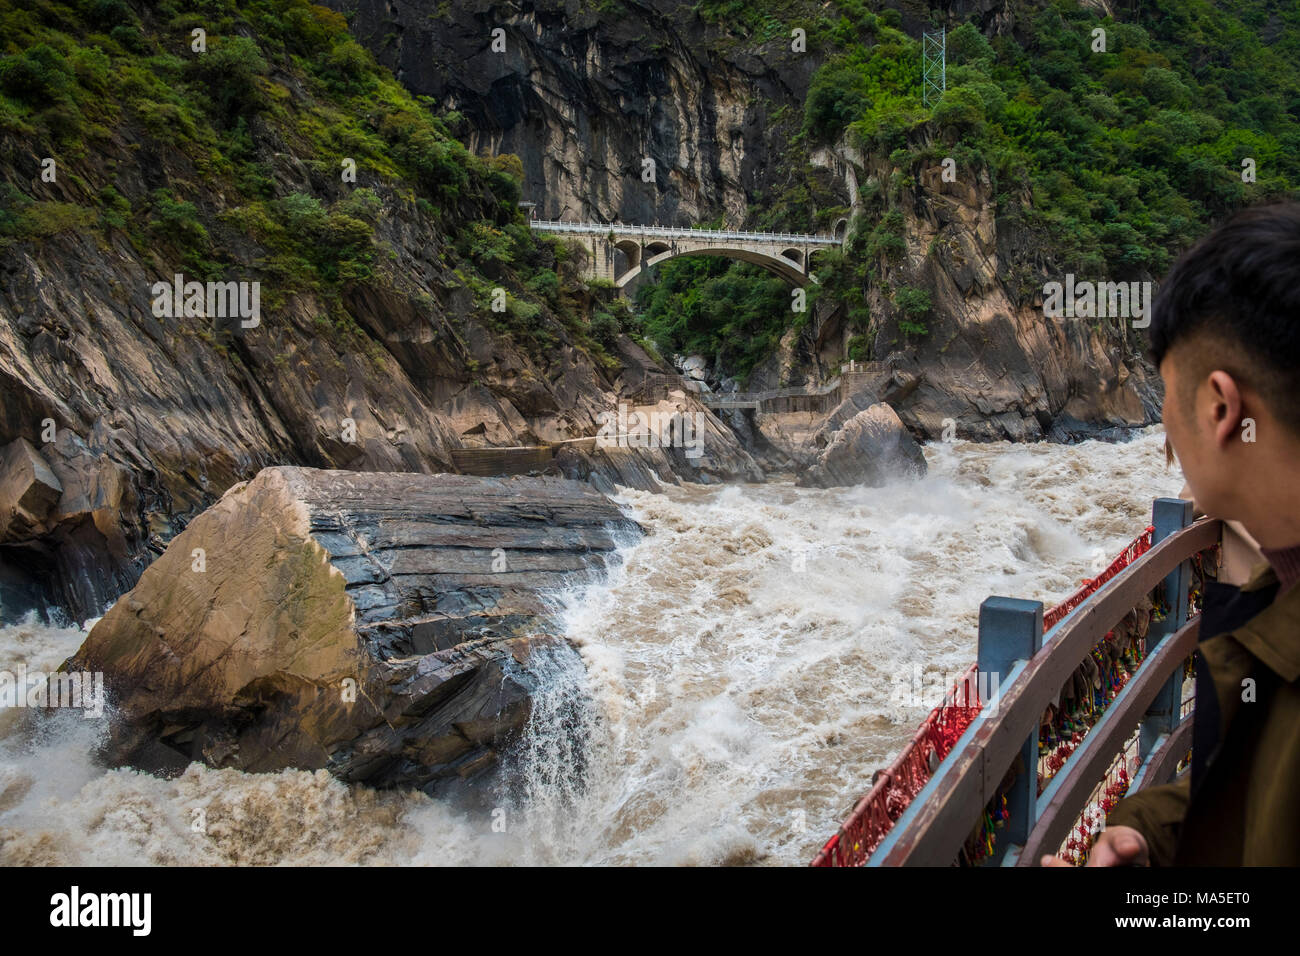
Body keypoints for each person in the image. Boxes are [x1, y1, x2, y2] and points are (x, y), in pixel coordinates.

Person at [1042, 202, 1300, 866]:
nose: (1164, 444)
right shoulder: (1280, 589)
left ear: (1221, 408)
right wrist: (1153, 835)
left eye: (1168, 406)